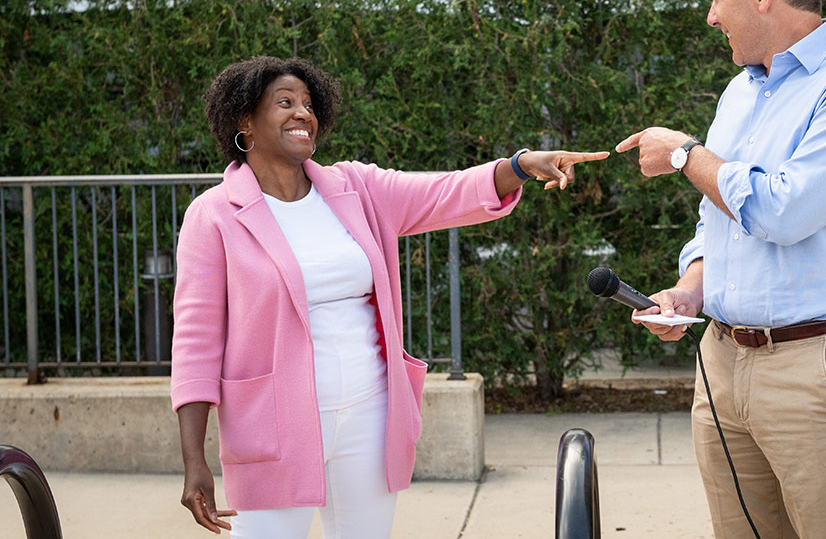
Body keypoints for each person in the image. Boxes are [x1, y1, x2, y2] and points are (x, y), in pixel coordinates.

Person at [170, 56, 608, 539]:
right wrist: (195, 461)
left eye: (309, 103)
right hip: (273, 429)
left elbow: (446, 191)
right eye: (285, 103)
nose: (302, 113)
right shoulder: (213, 215)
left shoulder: (355, 188)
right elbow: (195, 343)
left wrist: (521, 165)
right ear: (245, 122)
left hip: (369, 415)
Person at [616, 0, 826, 539]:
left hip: (818, 369)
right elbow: (718, 219)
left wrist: (682, 154)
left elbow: (784, 211)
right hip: (721, 361)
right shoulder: (739, 92)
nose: (710, 17)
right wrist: (689, 290)